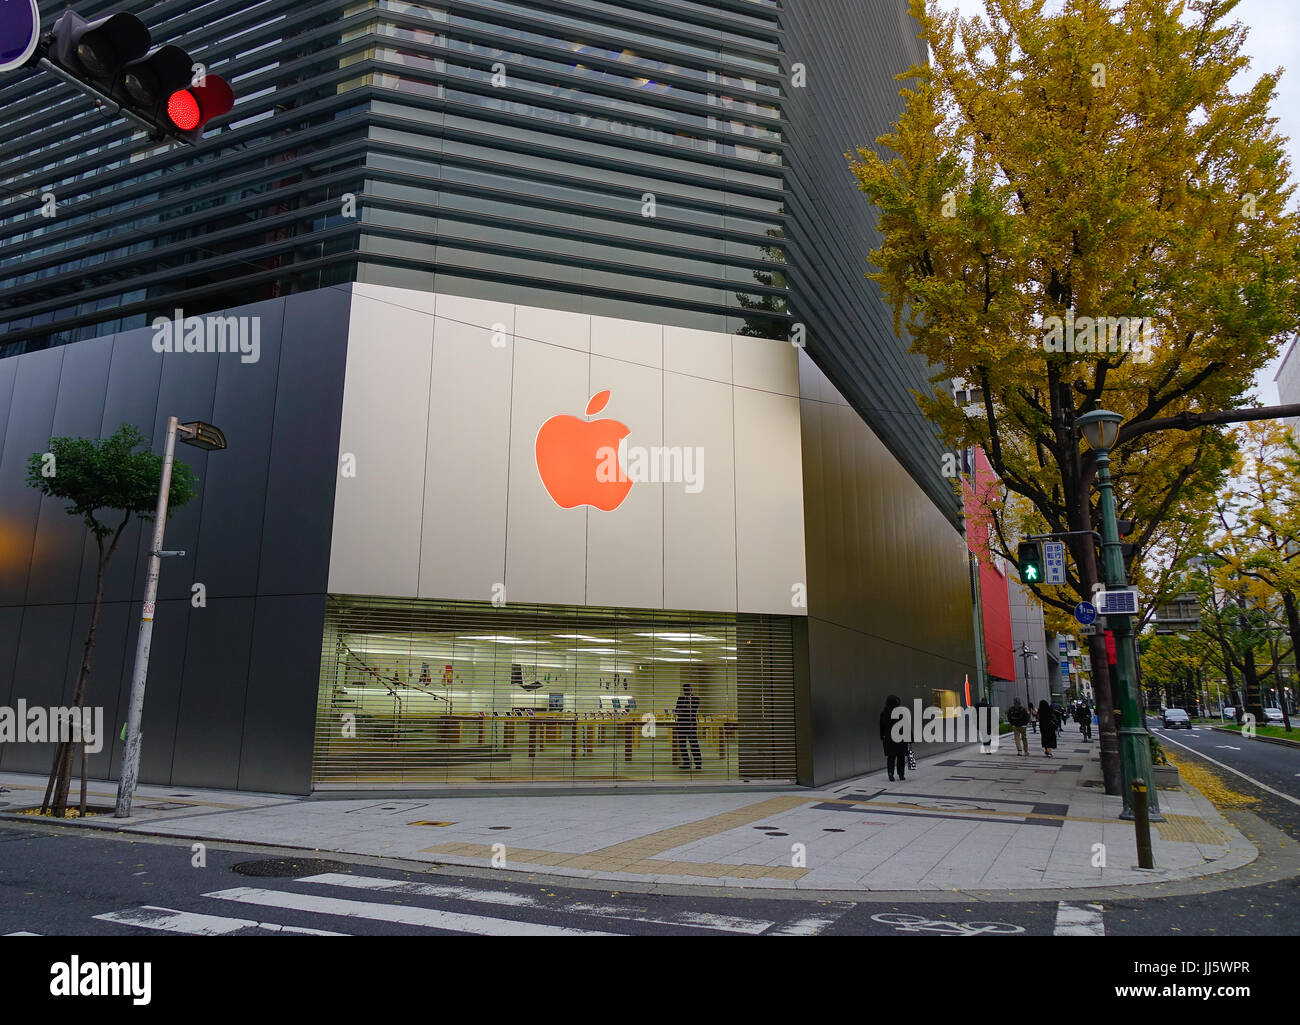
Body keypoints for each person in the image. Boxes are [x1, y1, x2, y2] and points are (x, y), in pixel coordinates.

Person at [879, 694, 908, 781]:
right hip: (901, 737)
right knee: (901, 757)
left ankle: (890, 773)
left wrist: (882, 736)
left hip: (889, 738)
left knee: (891, 757)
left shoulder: (884, 713)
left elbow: (882, 726)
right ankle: (901, 774)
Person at [674, 683, 702, 771]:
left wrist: (683, 709)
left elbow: (693, 710)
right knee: (682, 744)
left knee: (694, 743)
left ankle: (698, 763)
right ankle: (686, 762)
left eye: (687, 689)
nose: (686, 691)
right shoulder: (680, 698)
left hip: (691, 724)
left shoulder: (696, 699)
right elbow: (676, 710)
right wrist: (685, 708)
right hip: (681, 723)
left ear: (691, 689)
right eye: (684, 690)